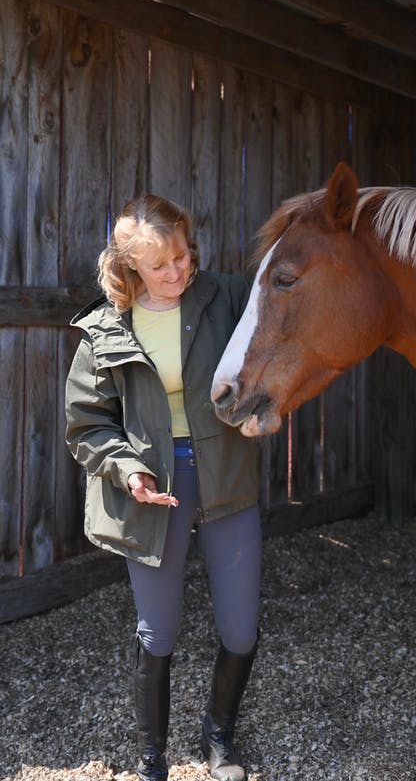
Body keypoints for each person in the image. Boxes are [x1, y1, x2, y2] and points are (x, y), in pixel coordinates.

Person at [65, 194, 261, 781]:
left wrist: (263, 403)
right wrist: (128, 469)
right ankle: (153, 762)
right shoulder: (103, 328)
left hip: (226, 474)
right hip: (152, 490)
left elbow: (276, 346)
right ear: (129, 268)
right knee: (157, 632)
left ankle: (219, 741)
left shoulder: (227, 296)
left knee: (240, 626)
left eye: (182, 255)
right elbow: (86, 422)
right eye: (159, 265)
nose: (177, 271)